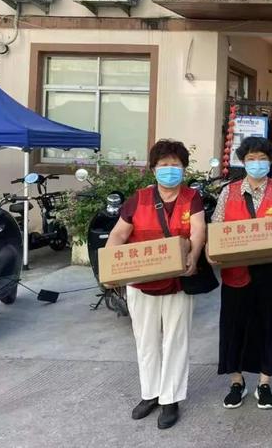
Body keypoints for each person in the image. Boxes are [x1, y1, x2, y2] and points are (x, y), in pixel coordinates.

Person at [105, 139, 206, 430]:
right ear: (153, 169)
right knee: (146, 340)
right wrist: (111, 266)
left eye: (175, 165)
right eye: (164, 165)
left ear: (184, 169)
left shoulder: (192, 198)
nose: (170, 170)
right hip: (142, 282)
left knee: (175, 339)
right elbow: (118, 235)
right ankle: (150, 393)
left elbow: (198, 231)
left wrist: (194, 256)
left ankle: (170, 398)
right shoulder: (138, 199)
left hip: (178, 280)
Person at [210, 136, 272, 410]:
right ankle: (236, 381)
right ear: (243, 161)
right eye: (251, 159)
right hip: (235, 272)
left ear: (270, 161)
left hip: (269, 272)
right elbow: (217, 225)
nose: (257, 163)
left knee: (267, 325)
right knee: (233, 326)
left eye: (262, 158)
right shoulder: (229, 192)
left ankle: (264, 382)